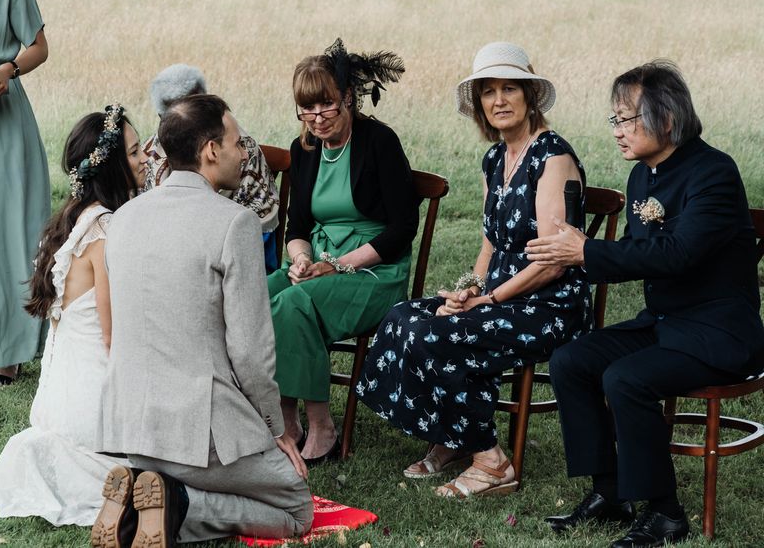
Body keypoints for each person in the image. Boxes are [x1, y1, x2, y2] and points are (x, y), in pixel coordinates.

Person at [526, 61, 764, 547]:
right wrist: (578, 252)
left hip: (718, 332)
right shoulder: (642, 179)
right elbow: (641, 255)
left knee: (626, 378)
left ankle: (665, 515)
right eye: (614, 119)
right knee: (571, 360)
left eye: (626, 119)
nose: (617, 131)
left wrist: (587, 251)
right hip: (664, 323)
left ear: (668, 118)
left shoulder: (713, 172)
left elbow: (678, 254)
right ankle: (610, 493)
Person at [357, 41, 591, 498]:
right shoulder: (494, 159)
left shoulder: (553, 157)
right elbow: (491, 242)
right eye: (488, 91)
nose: (499, 100)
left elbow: (552, 262)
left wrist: (490, 299)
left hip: (548, 304)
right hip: (499, 296)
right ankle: (455, 435)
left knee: (438, 337)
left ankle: (490, 461)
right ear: (480, 104)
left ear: (529, 96)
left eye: (509, 89)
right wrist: (467, 291)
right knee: (406, 318)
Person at [95, 94, 312, 547]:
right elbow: (252, 351)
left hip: (130, 429)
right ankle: (182, 505)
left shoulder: (123, 219)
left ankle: (146, 499)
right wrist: (276, 429)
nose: (243, 153)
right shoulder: (235, 223)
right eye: (236, 143)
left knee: (190, 475)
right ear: (210, 150)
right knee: (297, 508)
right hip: (199, 433)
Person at [267, 38, 418, 465]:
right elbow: (297, 225)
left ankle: (322, 425)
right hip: (317, 263)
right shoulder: (304, 150)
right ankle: (285, 418)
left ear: (348, 97)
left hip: (372, 270)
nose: (316, 117)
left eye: (327, 105)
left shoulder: (379, 142)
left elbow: (403, 228)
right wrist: (300, 260)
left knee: (294, 305)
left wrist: (336, 266)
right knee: (258, 296)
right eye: (307, 108)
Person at [0, 104, 148, 525]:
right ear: (114, 165)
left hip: (56, 401)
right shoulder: (105, 230)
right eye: (135, 152)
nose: (144, 158)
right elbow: (113, 335)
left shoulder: (75, 218)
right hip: (91, 404)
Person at [142, 63, 281, 271]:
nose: (186, 121)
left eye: (194, 110)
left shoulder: (241, 150)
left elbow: (252, 243)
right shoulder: (153, 154)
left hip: (241, 258)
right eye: (175, 116)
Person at [0, 0, 51, 385]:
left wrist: (7, 68)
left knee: (11, 232)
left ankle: (9, 352)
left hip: (5, 122)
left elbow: (39, 47)